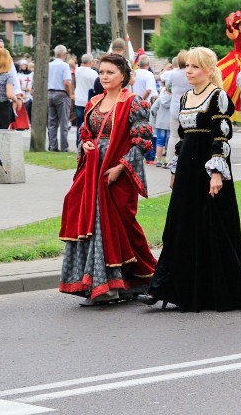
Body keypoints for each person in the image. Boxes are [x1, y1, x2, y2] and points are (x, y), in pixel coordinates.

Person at [139, 47, 241, 311]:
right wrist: (174, 169)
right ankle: (165, 287)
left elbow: (221, 136)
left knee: (211, 227)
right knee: (179, 225)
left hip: (208, 168)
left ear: (209, 70)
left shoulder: (218, 97)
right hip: (187, 169)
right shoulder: (185, 97)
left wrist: (216, 172)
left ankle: (211, 290)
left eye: (195, 67)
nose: (188, 71)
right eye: (187, 66)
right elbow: (181, 137)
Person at [59, 54, 157, 304]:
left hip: (118, 173)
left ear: (123, 76)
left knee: (123, 226)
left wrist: (120, 168)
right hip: (92, 173)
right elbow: (84, 134)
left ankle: (143, 277)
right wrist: (87, 145)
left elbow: (142, 142)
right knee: (93, 225)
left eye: (110, 72)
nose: (104, 76)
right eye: (101, 72)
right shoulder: (93, 102)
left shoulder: (134, 103)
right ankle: (102, 286)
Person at [47, 45, 74, 152]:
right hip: (61, 93)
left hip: (50, 93)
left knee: (52, 123)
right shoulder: (64, 66)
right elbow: (66, 82)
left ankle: (53, 146)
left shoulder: (49, 65)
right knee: (64, 122)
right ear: (63, 54)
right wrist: (70, 94)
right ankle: (64, 147)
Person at [166, 52, 191, 159]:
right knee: (188, 136)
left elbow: (168, 88)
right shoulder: (190, 74)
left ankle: (169, 158)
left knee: (173, 135)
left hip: (175, 107)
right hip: (189, 107)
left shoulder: (173, 74)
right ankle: (186, 158)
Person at [73, 54, 98, 136]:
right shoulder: (94, 73)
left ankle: (78, 143)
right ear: (90, 62)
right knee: (88, 125)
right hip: (89, 100)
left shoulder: (77, 70)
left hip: (79, 99)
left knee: (79, 124)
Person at [150, 86, 171, 167]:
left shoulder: (160, 99)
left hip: (160, 122)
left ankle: (158, 160)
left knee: (159, 142)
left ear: (165, 90)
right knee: (169, 142)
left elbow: (153, 109)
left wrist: (156, 118)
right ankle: (168, 161)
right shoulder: (175, 99)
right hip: (170, 123)